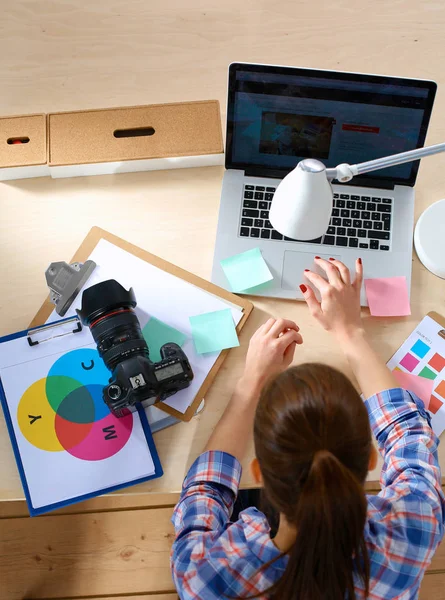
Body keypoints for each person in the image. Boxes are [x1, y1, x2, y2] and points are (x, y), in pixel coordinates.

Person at [170, 257, 445, 600]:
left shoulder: (204, 577)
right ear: (372, 458)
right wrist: (350, 332)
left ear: (258, 472)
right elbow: (410, 435)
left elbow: (203, 493)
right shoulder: (412, 533)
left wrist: (250, 385)